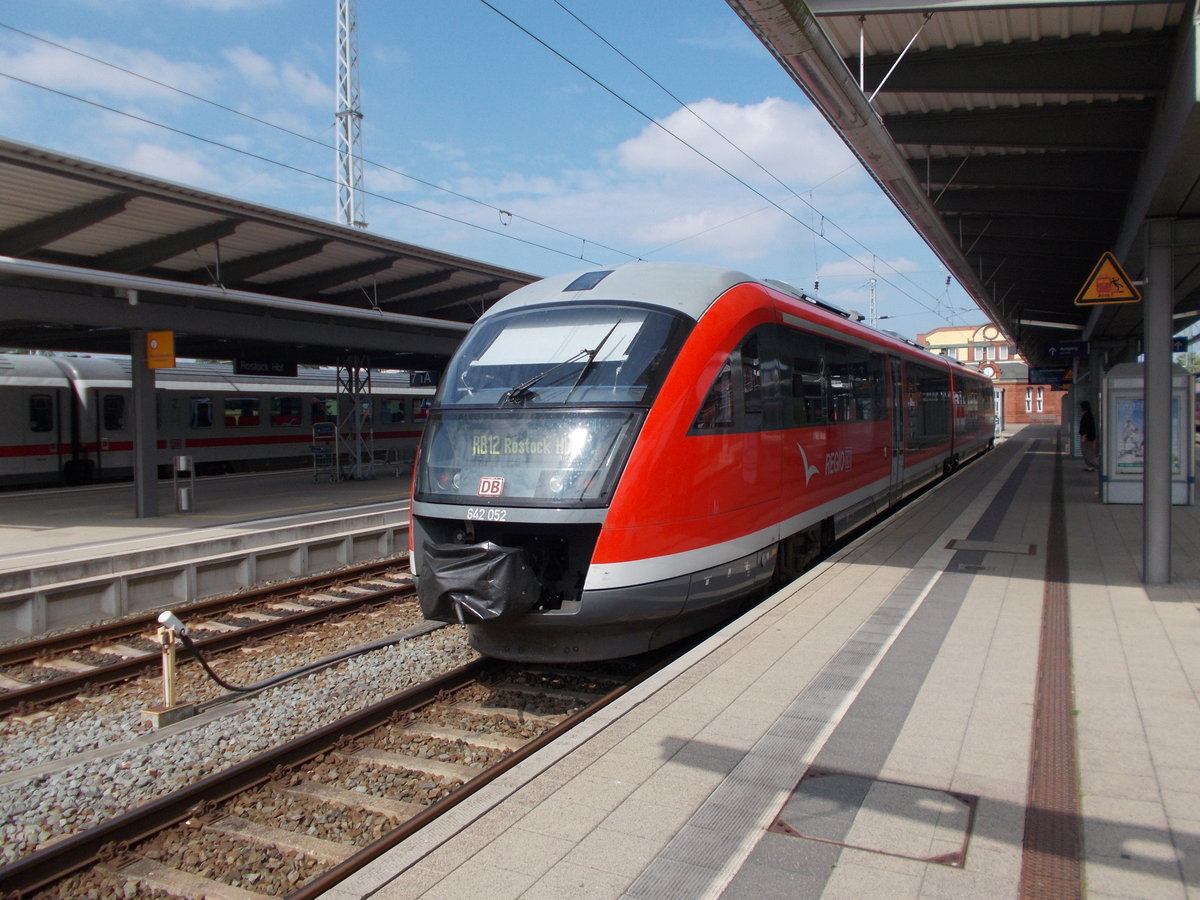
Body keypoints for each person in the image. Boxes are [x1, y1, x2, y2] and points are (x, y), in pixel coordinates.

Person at [1079, 400, 1099, 471]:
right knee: (1087, 452)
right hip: (1089, 437)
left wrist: (1084, 436)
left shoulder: (1087, 416)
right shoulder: (1089, 415)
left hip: (1088, 438)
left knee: (1088, 453)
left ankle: (1097, 466)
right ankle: (1090, 467)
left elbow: (1086, 427)